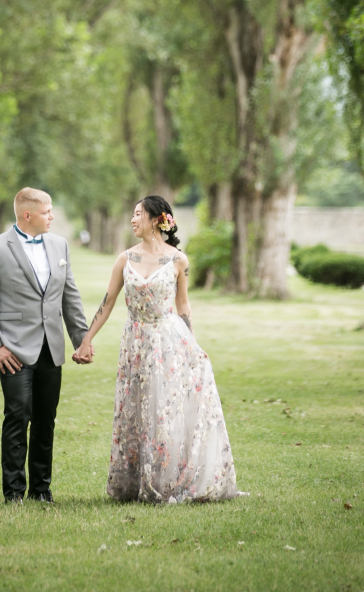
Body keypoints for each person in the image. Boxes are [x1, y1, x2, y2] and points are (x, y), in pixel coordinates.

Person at [72, 195, 243, 503]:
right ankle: (137, 481)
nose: (133, 219)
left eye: (138, 214)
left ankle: (168, 480)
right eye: (133, 214)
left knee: (166, 410)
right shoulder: (125, 259)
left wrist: (192, 345)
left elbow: (183, 304)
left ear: (155, 219)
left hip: (169, 341)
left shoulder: (178, 260)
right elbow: (107, 303)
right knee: (137, 410)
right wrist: (87, 340)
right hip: (135, 342)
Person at [0, 187, 93, 504]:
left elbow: (70, 297)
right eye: (47, 211)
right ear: (27, 215)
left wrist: (82, 340)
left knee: (45, 419)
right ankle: (13, 493)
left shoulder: (59, 245)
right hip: (13, 351)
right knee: (17, 416)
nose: (52, 216)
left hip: (52, 347)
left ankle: (41, 489)